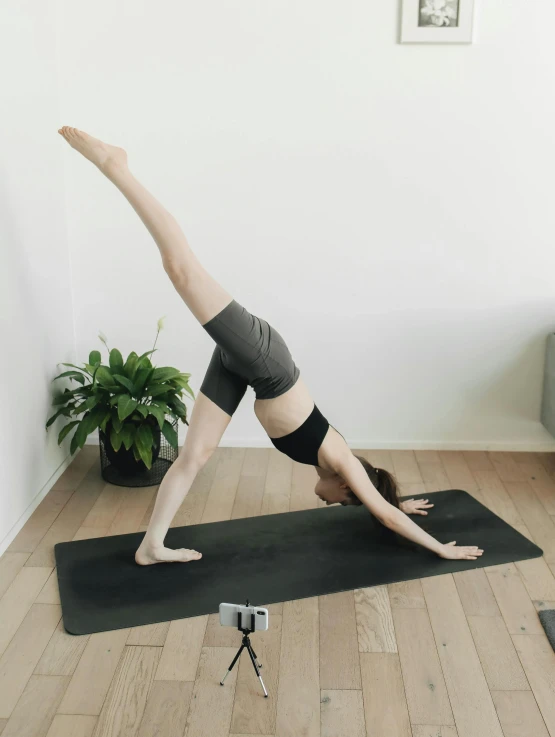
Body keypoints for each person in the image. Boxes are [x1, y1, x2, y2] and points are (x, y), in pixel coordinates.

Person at [58, 127, 484, 566]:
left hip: (243, 370)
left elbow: (384, 509)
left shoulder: (331, 469)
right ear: (347, 486)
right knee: (181, 269)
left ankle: (151, 545)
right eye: (341, 501)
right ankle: (117, 166)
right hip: (263, 357)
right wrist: (437, 547)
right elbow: (382, 512)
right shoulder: (340, 459)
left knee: (194, 455)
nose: (329, 503)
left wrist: (400, 503)